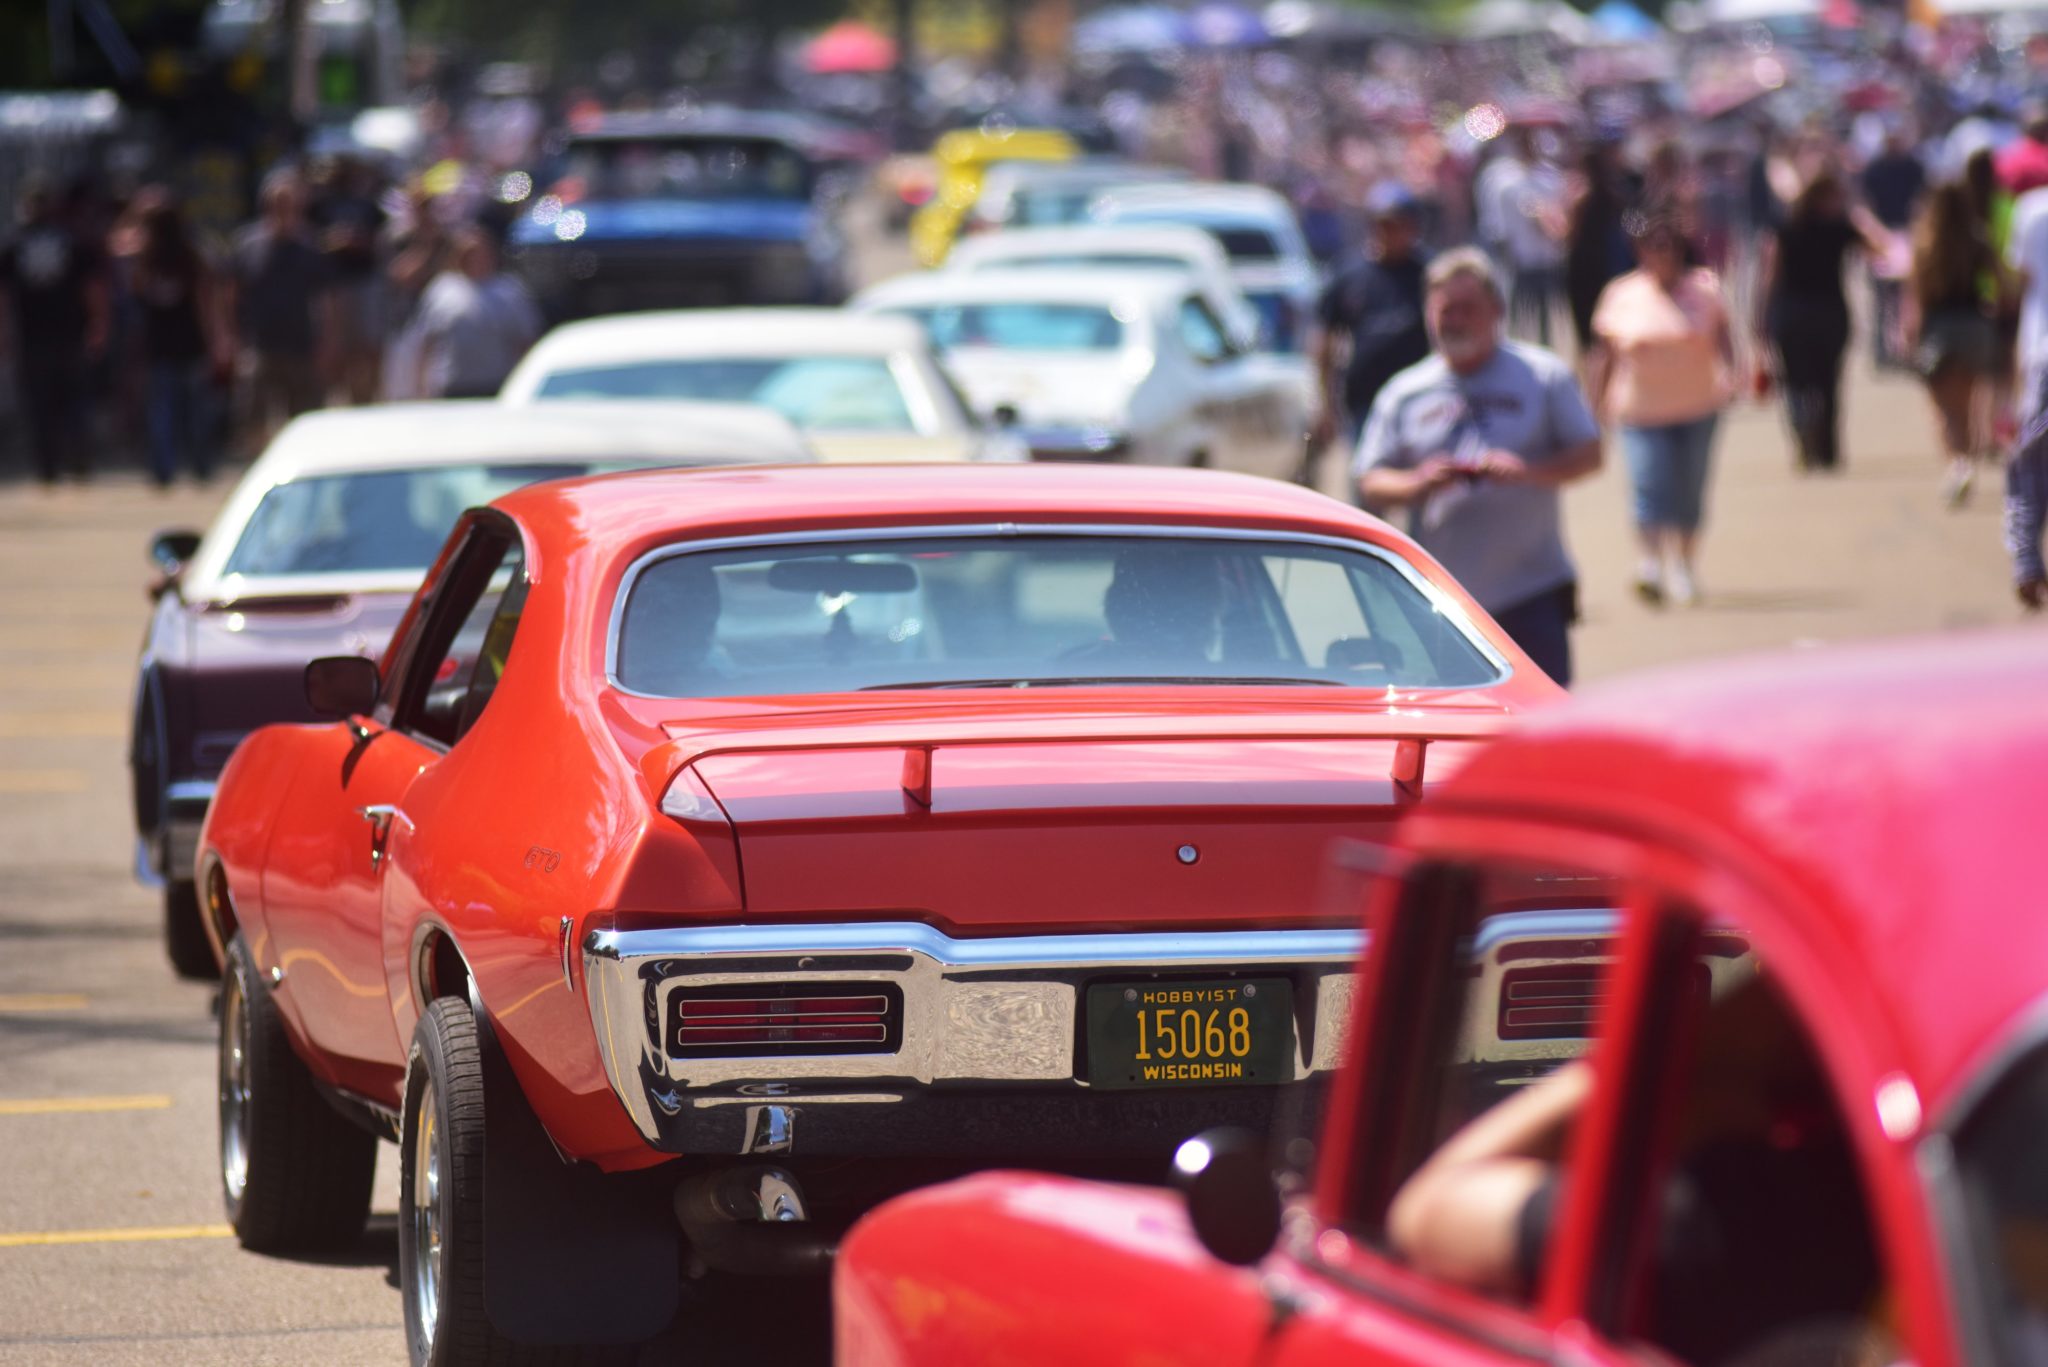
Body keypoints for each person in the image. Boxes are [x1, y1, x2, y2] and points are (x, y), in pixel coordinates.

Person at [1353, 249, 1602, 685]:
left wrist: (1527, 472)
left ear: (1497, 310)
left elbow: (1590, 454)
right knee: (1450, 729)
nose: (1456, 321)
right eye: (1446, 310)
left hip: (1531, 591)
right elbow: (1370, 480)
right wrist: (1417, 483)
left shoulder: (1543, 375)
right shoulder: (1405, 392)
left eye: (1468, 309)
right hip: (1435, 599)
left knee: (1540, 727)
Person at [1587, 214, 1733, 607]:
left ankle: (1684, 567)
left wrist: (1737, 373)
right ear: (1641, 252)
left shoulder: (1705, 288)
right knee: (1648, 484)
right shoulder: (1621, 294)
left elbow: (1724, 335)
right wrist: (1594, 404)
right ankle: (1650, 564)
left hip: (1697, 405)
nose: (1662, 254)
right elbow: (1604, 355)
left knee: (1690, 489)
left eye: (1669, 246)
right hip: (1640, 411)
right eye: (1654, 246)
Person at [1754, 172, 1893, 472]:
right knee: (1828, 383)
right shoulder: (1841, 227)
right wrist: (1863, 217)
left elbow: (1769, 274)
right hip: (1829, 314)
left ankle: (1804, 434)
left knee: (1796, 382)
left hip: (1791, 314)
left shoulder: (1784, 227)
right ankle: (1827, 450)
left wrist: (1761, 318)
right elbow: (1882, 249)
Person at [1312, 182, 1433, 463]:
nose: (1388, 233)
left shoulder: (1429, 275)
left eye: (1397, 225)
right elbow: (1325, 344)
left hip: (1420, 403)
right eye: (1383, 224)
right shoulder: (1349, 275)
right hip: (1365, 401)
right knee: (1366, 483)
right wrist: (1326, 404)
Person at [0, 177, 108, 484]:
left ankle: (57, 466)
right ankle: (68, 464)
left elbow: (92, 287)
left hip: (50, 336)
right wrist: (99, 323)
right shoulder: (68, 241)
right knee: (64, 403)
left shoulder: (17, 243)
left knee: (47, 405)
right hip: (51, 335)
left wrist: (98, 323)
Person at [1906, 181, 2001, 506]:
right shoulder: (1977, 240)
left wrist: (1911, 336)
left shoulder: (1925, 242)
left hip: (1940, 328)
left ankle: (1957, 464)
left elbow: (1916, 296)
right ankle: (1968, 463)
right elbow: (2000, 284)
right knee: (1969, 405)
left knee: (1945, 409)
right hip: (1975, 326)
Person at [131, 188, 229, 486]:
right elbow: (206, 304)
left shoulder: (148, 257)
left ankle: (165, 469)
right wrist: (216, 340)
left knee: (166, 411)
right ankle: (199, 466)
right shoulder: (188, 254)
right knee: (192, 411)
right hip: (187, 344)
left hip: (165, 346)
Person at [228, 169, 332, 447]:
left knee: (304, 421)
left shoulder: (311, 246)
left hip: (301, 346)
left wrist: (327, 342)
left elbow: (325, 300)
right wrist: (230, 338)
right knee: (253, 419)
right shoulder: (247, 244)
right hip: (259, 345)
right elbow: (231, 296)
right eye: (278, 203)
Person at [413, 226, 540, 400]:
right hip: (452, 385)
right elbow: (427, 342)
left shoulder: (508, 290)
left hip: (496, 384)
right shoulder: (442, 289)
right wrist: (421, 386)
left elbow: (524, 341)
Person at [1860, 127, 1927, 369]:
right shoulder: (1874, 169)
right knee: (1880, 297)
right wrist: (1876, 234)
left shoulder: (1914, 167)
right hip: (1881, 237)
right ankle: (1881, 350)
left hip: (1909, 235)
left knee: (1907, 296)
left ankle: (1907, 348)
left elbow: (1924, 199)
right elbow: (1864, 203)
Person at [1564, 144, 1633, 362]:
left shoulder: (1581, 197)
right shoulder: (1614, 194)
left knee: (1588, 329)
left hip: (1584, 268)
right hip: (1608, 265)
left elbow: (1568, 236)